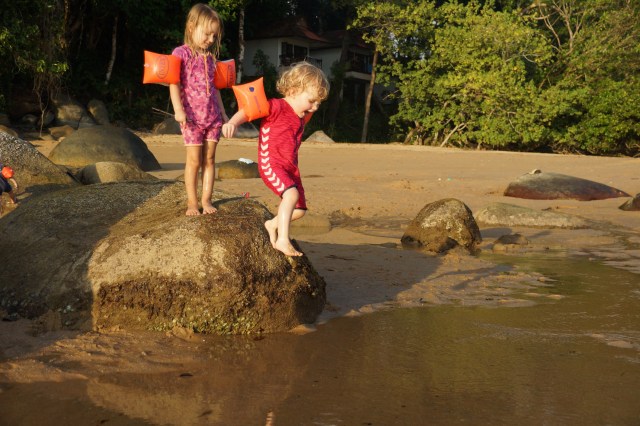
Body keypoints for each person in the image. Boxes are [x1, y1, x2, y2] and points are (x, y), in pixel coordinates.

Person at [222, 62, 329, 256]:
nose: (315, 107)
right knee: (291, 196)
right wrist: (232, 123)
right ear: (293, 91)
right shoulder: (277, 106)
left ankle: (272, 224)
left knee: (300, 210)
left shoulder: (301, 116)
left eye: (319, 104)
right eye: (312, 101)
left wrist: (308, 107)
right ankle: (282, 240)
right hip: (271, 163)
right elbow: (248, 110)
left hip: (291, 168)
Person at [170, 3, 228, 216]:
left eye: (214, 36)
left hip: (213, 117)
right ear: (191, 27)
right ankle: (192, 203)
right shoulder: (181, 54)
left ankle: (207, 200)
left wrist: (223, 113)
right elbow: (173, 83)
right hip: (192, 118)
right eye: (207, 34)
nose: (211, 39)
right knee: (194, 161)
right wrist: (178, 110)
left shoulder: (211, 59)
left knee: (209, 160)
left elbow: (216, 89)